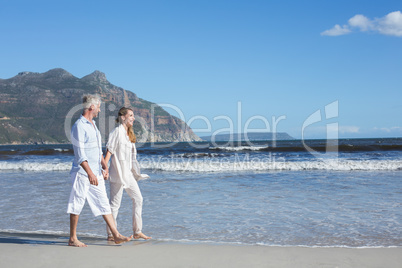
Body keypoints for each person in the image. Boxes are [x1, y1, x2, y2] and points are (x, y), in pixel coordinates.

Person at [67, 95, 133, 247]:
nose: (99, 109)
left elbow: (97, 151)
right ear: (91, 107)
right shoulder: (79, 126)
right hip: (82, 173)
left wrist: (104, 165)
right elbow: (80, 154)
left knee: (103, 203)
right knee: (77, 203)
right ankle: (72, 238)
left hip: (95, 172)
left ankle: (116, 235)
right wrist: (90, 173)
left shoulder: (93, 125)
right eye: (98, 107)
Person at [105, 107, 151, 240]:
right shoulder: (116, 132)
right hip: (118, 174)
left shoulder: (128, 133)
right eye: (131, 115)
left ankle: (137, 231)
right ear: (123, 117)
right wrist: (105, 168)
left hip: (128, 174)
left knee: (138, 199)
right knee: (115, 205)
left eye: (133, 115)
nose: (134, 118)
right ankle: (111, 234)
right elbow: (110, 150)